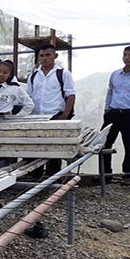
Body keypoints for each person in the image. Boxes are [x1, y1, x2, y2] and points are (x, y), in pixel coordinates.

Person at [100, 46, 130, 185]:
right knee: (104, 144)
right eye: (125, 54)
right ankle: (106, 174)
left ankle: (128, 175)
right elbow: (110, 92)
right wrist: (107, 109)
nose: (127, 57)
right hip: (113, 113)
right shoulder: (115, 74)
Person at [27, 44, 76, 176]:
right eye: (41, 56)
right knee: (36, 148)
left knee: (54, 149)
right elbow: (29, 97)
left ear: (55, 56)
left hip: (55, 116)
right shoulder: (33, 76)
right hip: (36, 117)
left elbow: (70, 94)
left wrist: (65, 115)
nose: (44, 58)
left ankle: (53, 178)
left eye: (48, 55)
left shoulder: (63, 73)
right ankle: (35, 177)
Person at [0, 61, 34, 153]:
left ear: (10, 75)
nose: (1, 74)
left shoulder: (14, 88)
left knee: (4, 147)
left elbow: (29, 104)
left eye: (5, 73)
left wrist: (17, 117)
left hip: (4, 121)